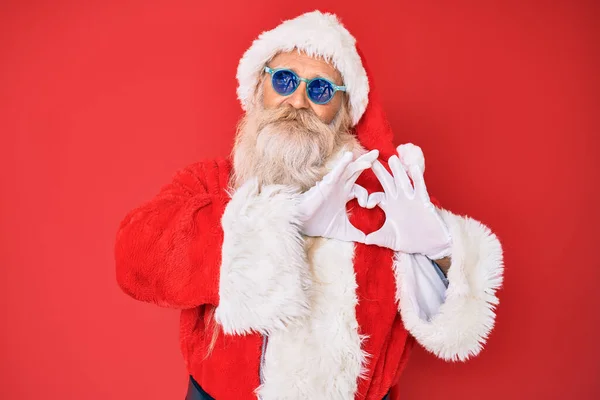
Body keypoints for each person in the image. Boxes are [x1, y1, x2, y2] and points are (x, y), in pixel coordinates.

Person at [114, 10, 504, 400]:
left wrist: (443, 251)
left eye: (320, 91)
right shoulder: (211, 182)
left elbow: (451, 323)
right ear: (257, 89)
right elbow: (135, 259)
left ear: (344, 113)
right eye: (284, 80)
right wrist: (281, 224)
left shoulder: (385, 197)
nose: (298, 100)